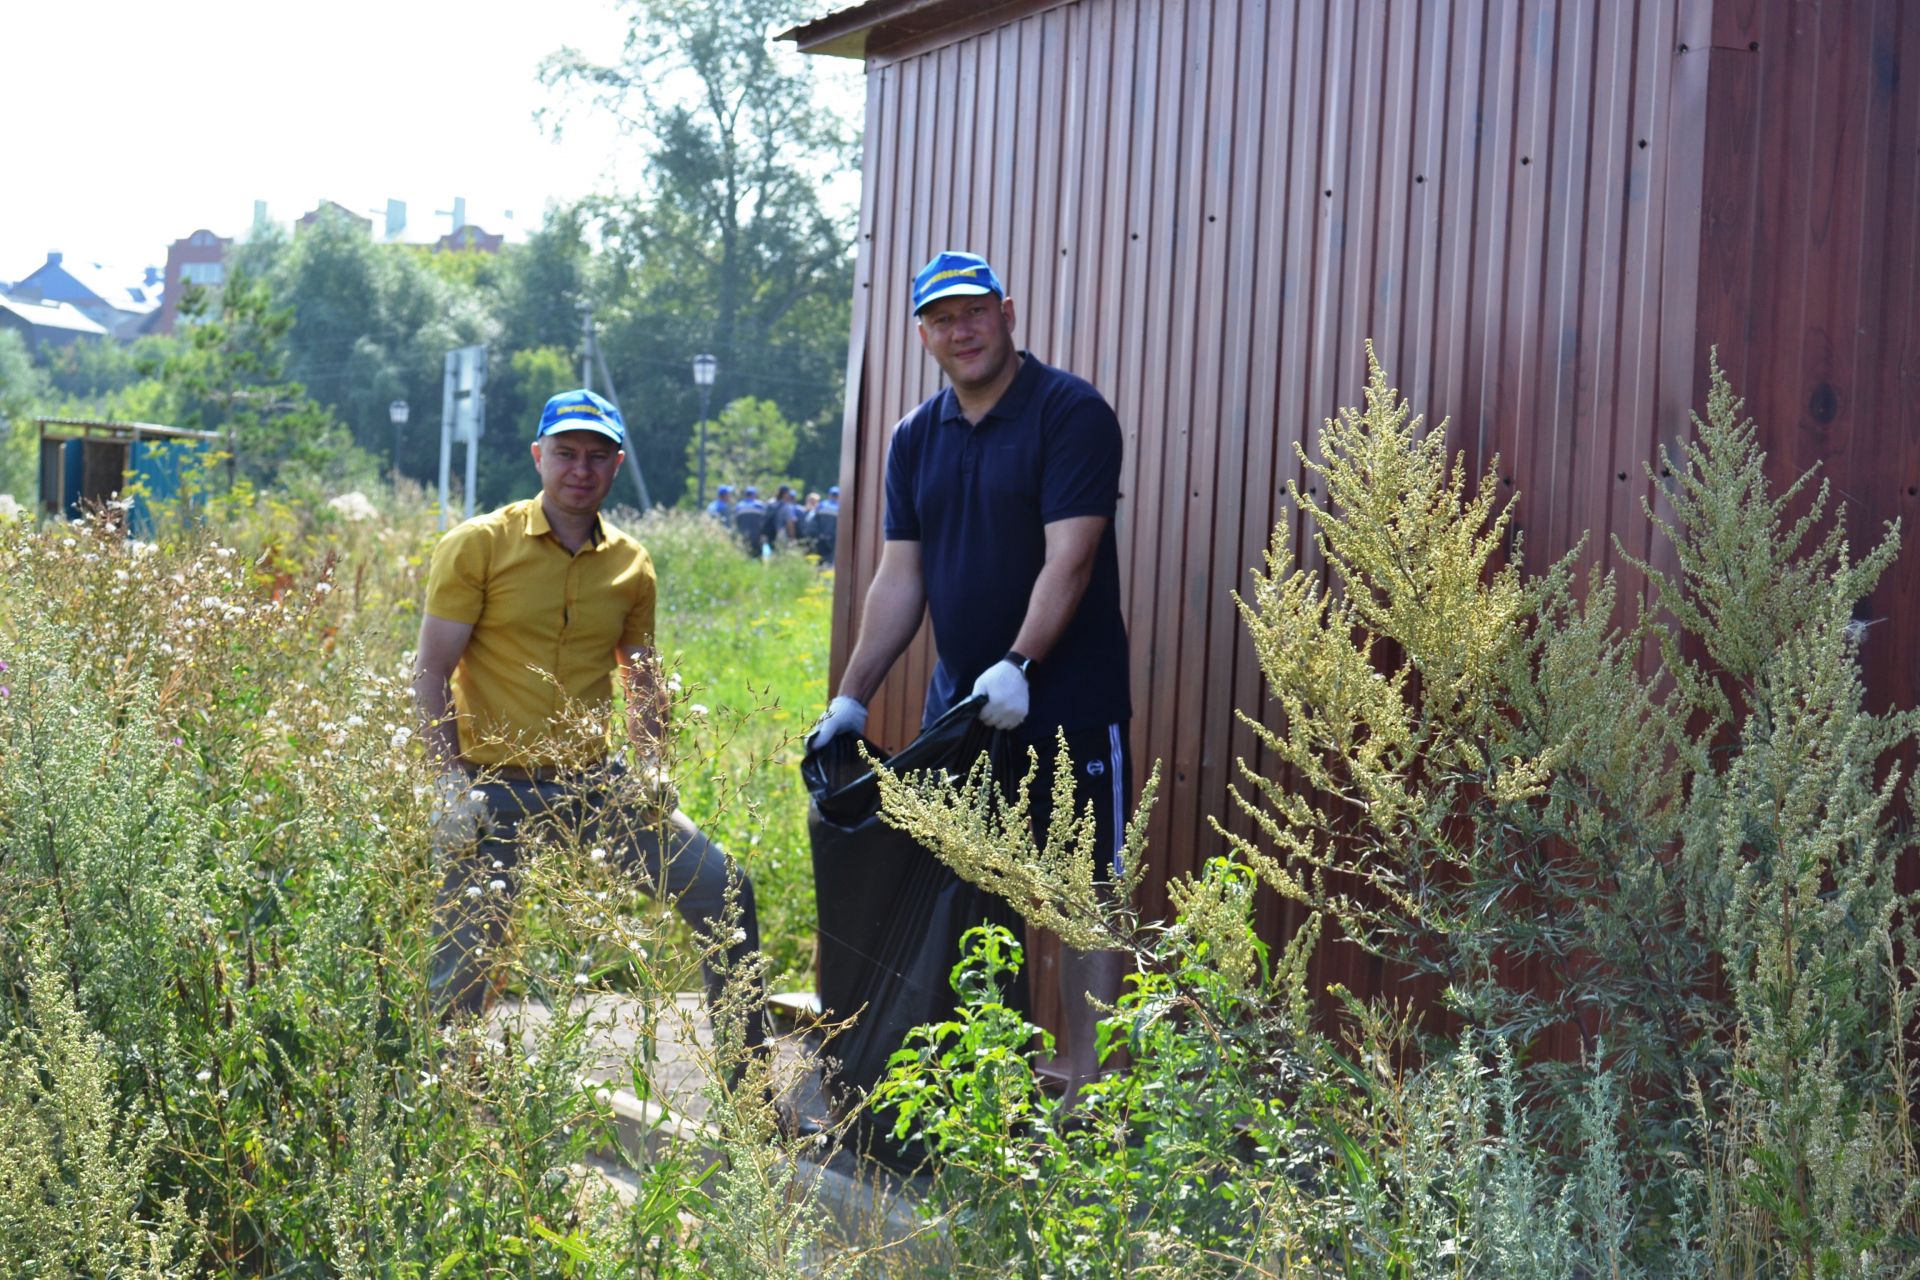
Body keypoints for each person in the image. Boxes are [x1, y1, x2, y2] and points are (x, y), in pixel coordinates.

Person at [806, 251, 1132, 1098]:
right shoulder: (916, 438)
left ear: (1008, 312)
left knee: (1081, 895)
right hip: (963, 713)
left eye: (974, 312)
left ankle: (1089, 1096)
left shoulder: (1070, 414)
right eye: (943, 319)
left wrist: (1021, 663)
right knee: (967, 896)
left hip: (1067, 700)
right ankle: (983, 1091)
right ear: (924, 335)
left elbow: (1074, 556)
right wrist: (853, 695)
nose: (962, 330)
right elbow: (899, 577)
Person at [415, 387, 765, 1056]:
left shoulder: (631, 564)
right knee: (465, 958)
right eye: (567, 454)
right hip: (490, 788)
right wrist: (445, 783)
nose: (581, 469)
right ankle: (444, 1098)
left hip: (592, 785)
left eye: (597, 456)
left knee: (725, 890)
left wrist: (655, 767)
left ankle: (744, 1082)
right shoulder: (478, 547)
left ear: (616, 464)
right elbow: (429, 671)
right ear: (538, 456)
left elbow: (641, 676)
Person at [732, 486, 768, 556]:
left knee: (744, 554)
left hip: (743, 534)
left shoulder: (739, 506)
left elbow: (736, 521)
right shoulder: (760, 505)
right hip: (757, 535)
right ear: (754, 494)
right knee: (757, 555)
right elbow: (764, 521)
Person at [812, 485, 840, 569]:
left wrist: (817, 534)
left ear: (829, 495)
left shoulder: (821, 505)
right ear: (839, 496)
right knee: (829, 562)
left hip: (820, 538)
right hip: (832, 539)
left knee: (818, 560)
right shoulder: (839, 507)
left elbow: (813, 522)